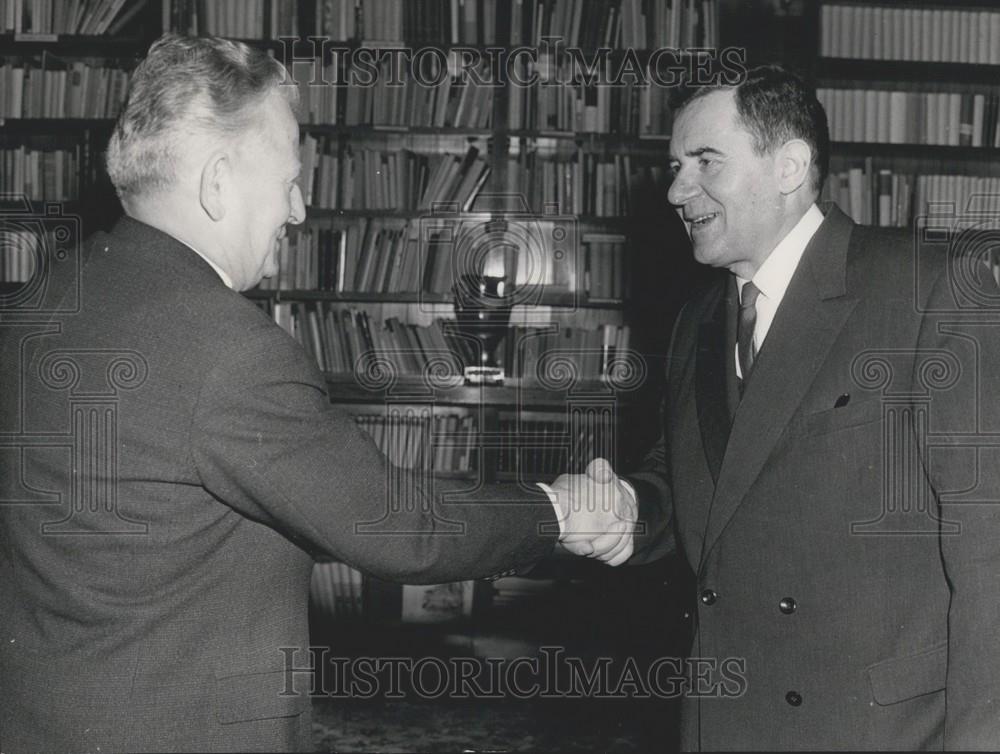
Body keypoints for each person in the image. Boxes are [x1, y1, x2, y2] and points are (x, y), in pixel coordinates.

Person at [0, 35, 631, 752]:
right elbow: (402, 528)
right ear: (218, 182)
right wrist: (559, 511)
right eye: (289, 180)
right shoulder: (229, 351)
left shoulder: (41, 300)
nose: (299, 211)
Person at [552, 64, 1000, 749]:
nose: (676, 189)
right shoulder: (698, 319)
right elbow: (699, 491)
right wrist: (627, 515)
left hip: (882, 730)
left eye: (706, 162)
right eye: (675, 166)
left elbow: (989, 553)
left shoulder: (931, 287)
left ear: (789, 167)